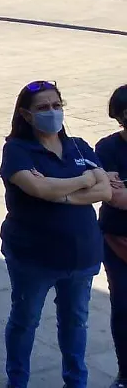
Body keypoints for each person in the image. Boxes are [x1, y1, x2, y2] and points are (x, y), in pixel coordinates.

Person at [0, 80, 110, 388]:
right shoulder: (17, 150)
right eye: (43, 108)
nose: (52, 112)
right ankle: (17, 381)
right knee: (25, 321)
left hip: (81, 253)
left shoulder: (79, 146)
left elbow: (104, 191)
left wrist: (59, 191)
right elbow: (37, 188)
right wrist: (83, 179)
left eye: (57, 106)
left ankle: (76, 382)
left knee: (76, 321)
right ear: (26, 114)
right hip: (34, 256)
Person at [100, 85, 127, 388]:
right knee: (123, 308)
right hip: (118, 241)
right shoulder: (107, 148)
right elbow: (113, 197)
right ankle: (126, 372)